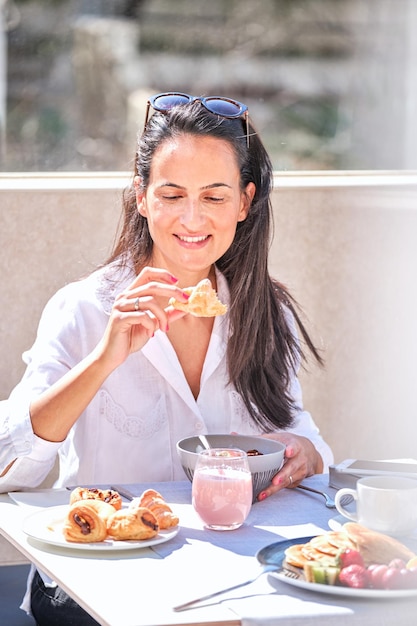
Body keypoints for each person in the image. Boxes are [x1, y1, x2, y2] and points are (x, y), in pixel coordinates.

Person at [0, 92, 333, 624]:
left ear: (245, 203)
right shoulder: (85, 308)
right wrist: (105, 359)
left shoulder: (266, 312)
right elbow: (7, 467)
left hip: (231, 572)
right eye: (173, 194)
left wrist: (303, 454)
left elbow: (308, 443)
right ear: (142, 197)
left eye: (215, 197)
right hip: (102, 575)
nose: (192, 218)